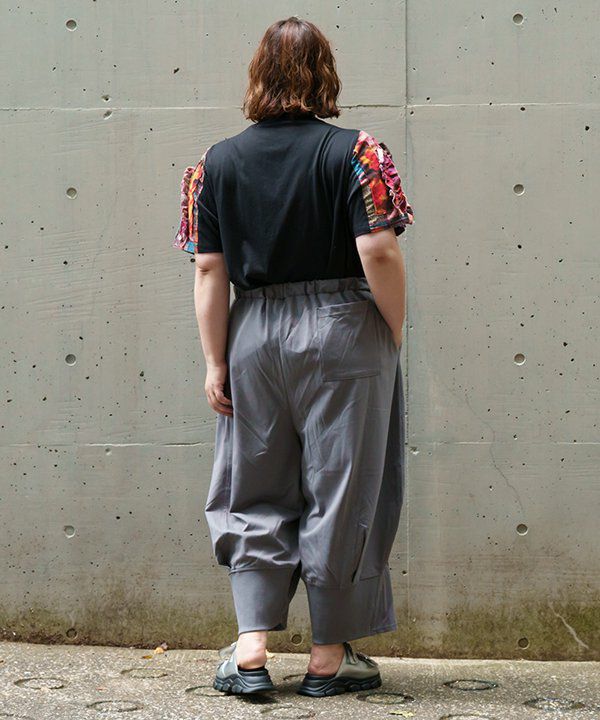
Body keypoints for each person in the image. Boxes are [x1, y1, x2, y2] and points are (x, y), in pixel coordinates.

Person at [173, 16, 414, 697]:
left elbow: (209, 270)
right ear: (325, 74)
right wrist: (391, 329)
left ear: (257, 75)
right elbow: (378, 249)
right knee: (343, 485)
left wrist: (215, 361)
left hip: (253, 329)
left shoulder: (212, 164)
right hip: (344, 327)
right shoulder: (358, 152)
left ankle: (251, 649)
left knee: (251, 482)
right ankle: (328, 656)